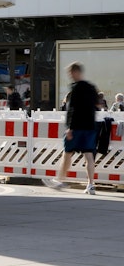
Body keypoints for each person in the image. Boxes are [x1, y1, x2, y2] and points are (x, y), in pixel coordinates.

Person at [44, 62, 99, 195]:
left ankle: (61, 180)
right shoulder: (91, 88)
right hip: (90, 126)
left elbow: (72, 109)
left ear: (75, 72)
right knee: (89, 155)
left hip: (77, 127)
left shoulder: (75, 88)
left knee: (67, 153)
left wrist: (70, 128)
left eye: (70, 73)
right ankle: (90, 184)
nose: (70, 75)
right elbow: (96, 105)